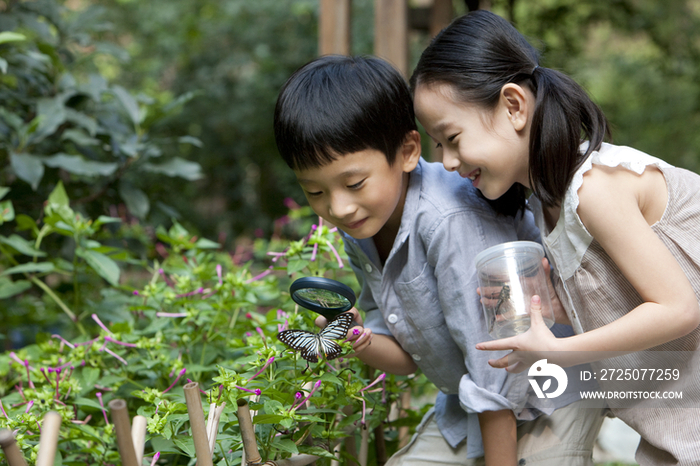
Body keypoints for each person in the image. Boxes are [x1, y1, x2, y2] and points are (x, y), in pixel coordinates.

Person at [274, 54, 604, 466]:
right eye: (315, 192)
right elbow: (407, 357)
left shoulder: (449, 220)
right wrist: (359, 338)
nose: (338, 207)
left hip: (548, 391)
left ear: (408, 151)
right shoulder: (361, 226)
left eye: (354, 183)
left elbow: (496, 368)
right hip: (474, 407)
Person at [411, 10, 700, 466]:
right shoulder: (546, 205)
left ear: (513, 106)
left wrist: (558, 351)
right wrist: (563, 308)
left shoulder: (598, 188)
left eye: (451, 137)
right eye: (437, 146)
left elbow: (679, 307)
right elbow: (628, 297)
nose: (447, 161)